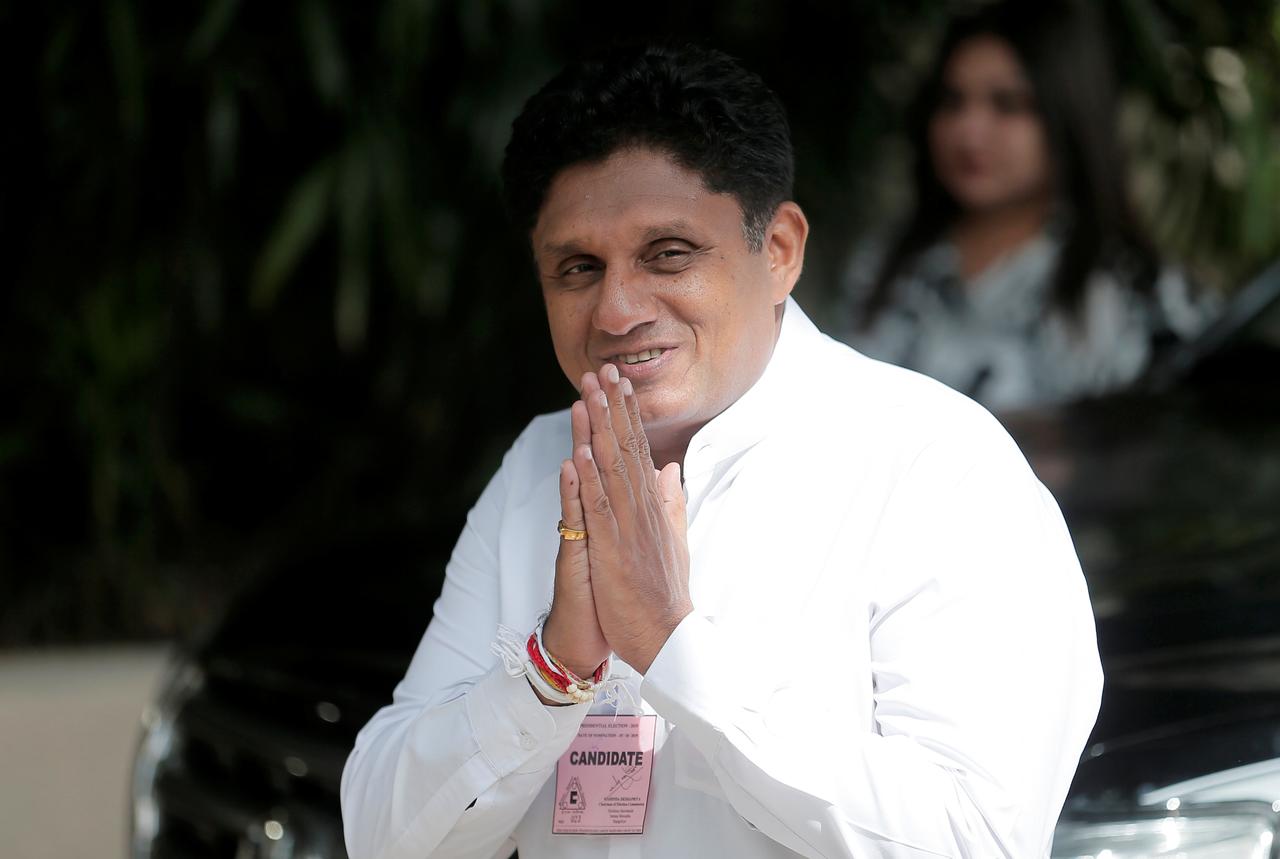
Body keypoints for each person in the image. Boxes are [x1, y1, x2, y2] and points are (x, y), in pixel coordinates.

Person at [341, 41, 1102, 858]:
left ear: (779, 251)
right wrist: (551, 671)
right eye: (578, 267)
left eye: (668, 254)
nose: (618, 310)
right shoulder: (540, 466)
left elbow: (974, 837)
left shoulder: (938, 466)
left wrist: (674, 646)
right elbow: (382, 836)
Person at [843, 0, 1215, 411]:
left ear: (1068, 115)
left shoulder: (1137, 294)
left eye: (1007, 104)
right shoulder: (887, 265)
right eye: (952, 101)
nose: (969, 132)